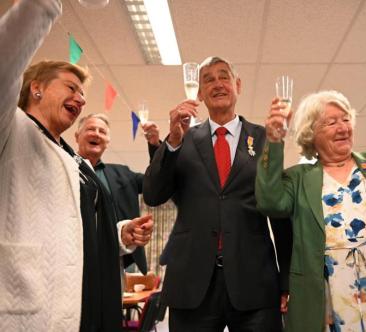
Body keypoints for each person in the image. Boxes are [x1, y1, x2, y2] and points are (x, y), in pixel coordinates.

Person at [0, 1, 153, 331]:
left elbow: (73, 230)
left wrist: (120, 235)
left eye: (83, 94)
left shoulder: (72, 158)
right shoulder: (10, 128)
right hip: (26, 306)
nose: (81, 99)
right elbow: (5, 57)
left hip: (85, 300)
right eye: (71, 88)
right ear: (36, 88)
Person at [143, 56, 292, 331]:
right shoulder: (182, 138)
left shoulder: (264, 138)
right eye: (208, 79)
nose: (217, 84)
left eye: (224, 76)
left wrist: (286, 281)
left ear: (238, 85)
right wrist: (172, 141)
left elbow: (279, 211)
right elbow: (153, 195)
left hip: (255, 281)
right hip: (191, 281)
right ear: (199, 93)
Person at [255, 90, 366, 332]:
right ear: (311, 133)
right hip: (326, 296)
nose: (343, 127)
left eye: (346, 119)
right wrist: (274, 141)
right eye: (331, 122)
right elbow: (270, 202)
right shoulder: (299, 178)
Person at [75, 113, 161, 275]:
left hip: (118, 261)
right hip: (75, 260)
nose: (96, 134)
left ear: (107, 142)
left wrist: (155, 145)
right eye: (91, 129)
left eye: (102, 131)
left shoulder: (123, 174)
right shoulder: (64, 169)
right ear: (77, 136)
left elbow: (155, 184)